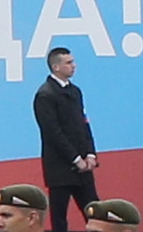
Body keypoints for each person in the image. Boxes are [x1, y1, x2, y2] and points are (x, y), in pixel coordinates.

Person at [34, 46, 101, 212]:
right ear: (56, 67)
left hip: (83, 168)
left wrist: (90, 154)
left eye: (73, 62)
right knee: (59, 216)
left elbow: (83, 124)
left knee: (95, 212)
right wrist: (75, 158)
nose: (74, 65)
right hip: (60, 168)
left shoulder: (75, 91)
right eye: (69, 62)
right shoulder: (45, 95)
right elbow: (53, 133)